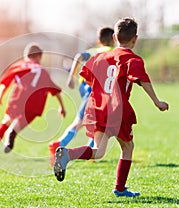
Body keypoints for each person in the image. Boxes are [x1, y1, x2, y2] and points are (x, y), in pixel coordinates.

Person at [53, 17, 169, 197]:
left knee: (98, 152)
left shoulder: (100, 57)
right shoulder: (133, 59)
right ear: (135, 39)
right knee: (128, 147)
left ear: (114, 37)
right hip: (118, 110)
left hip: (99, 108)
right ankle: (120, 188)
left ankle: (68, 154)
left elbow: (88, 78)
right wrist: (157, 101)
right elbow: (143, 80)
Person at [0, 43, 66, 159]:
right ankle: (13, 132)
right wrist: (61, 107)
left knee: (5, 122)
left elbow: (5, 84)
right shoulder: (42, 71)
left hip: (18, 99)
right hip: (35, 103)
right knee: (23, 119)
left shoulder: (18, 66)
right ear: (38, 56)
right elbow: (56, 91)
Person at [48, 27, 115, 167]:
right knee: (80, 122)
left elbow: (79, 56)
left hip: (89, 89)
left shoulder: (94, 51)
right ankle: (58, 144)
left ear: (99, 40)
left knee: (97, 121)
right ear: (114, 39)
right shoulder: (111, 52)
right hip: (95, 92)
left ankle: (90, 150)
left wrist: (72, 77)